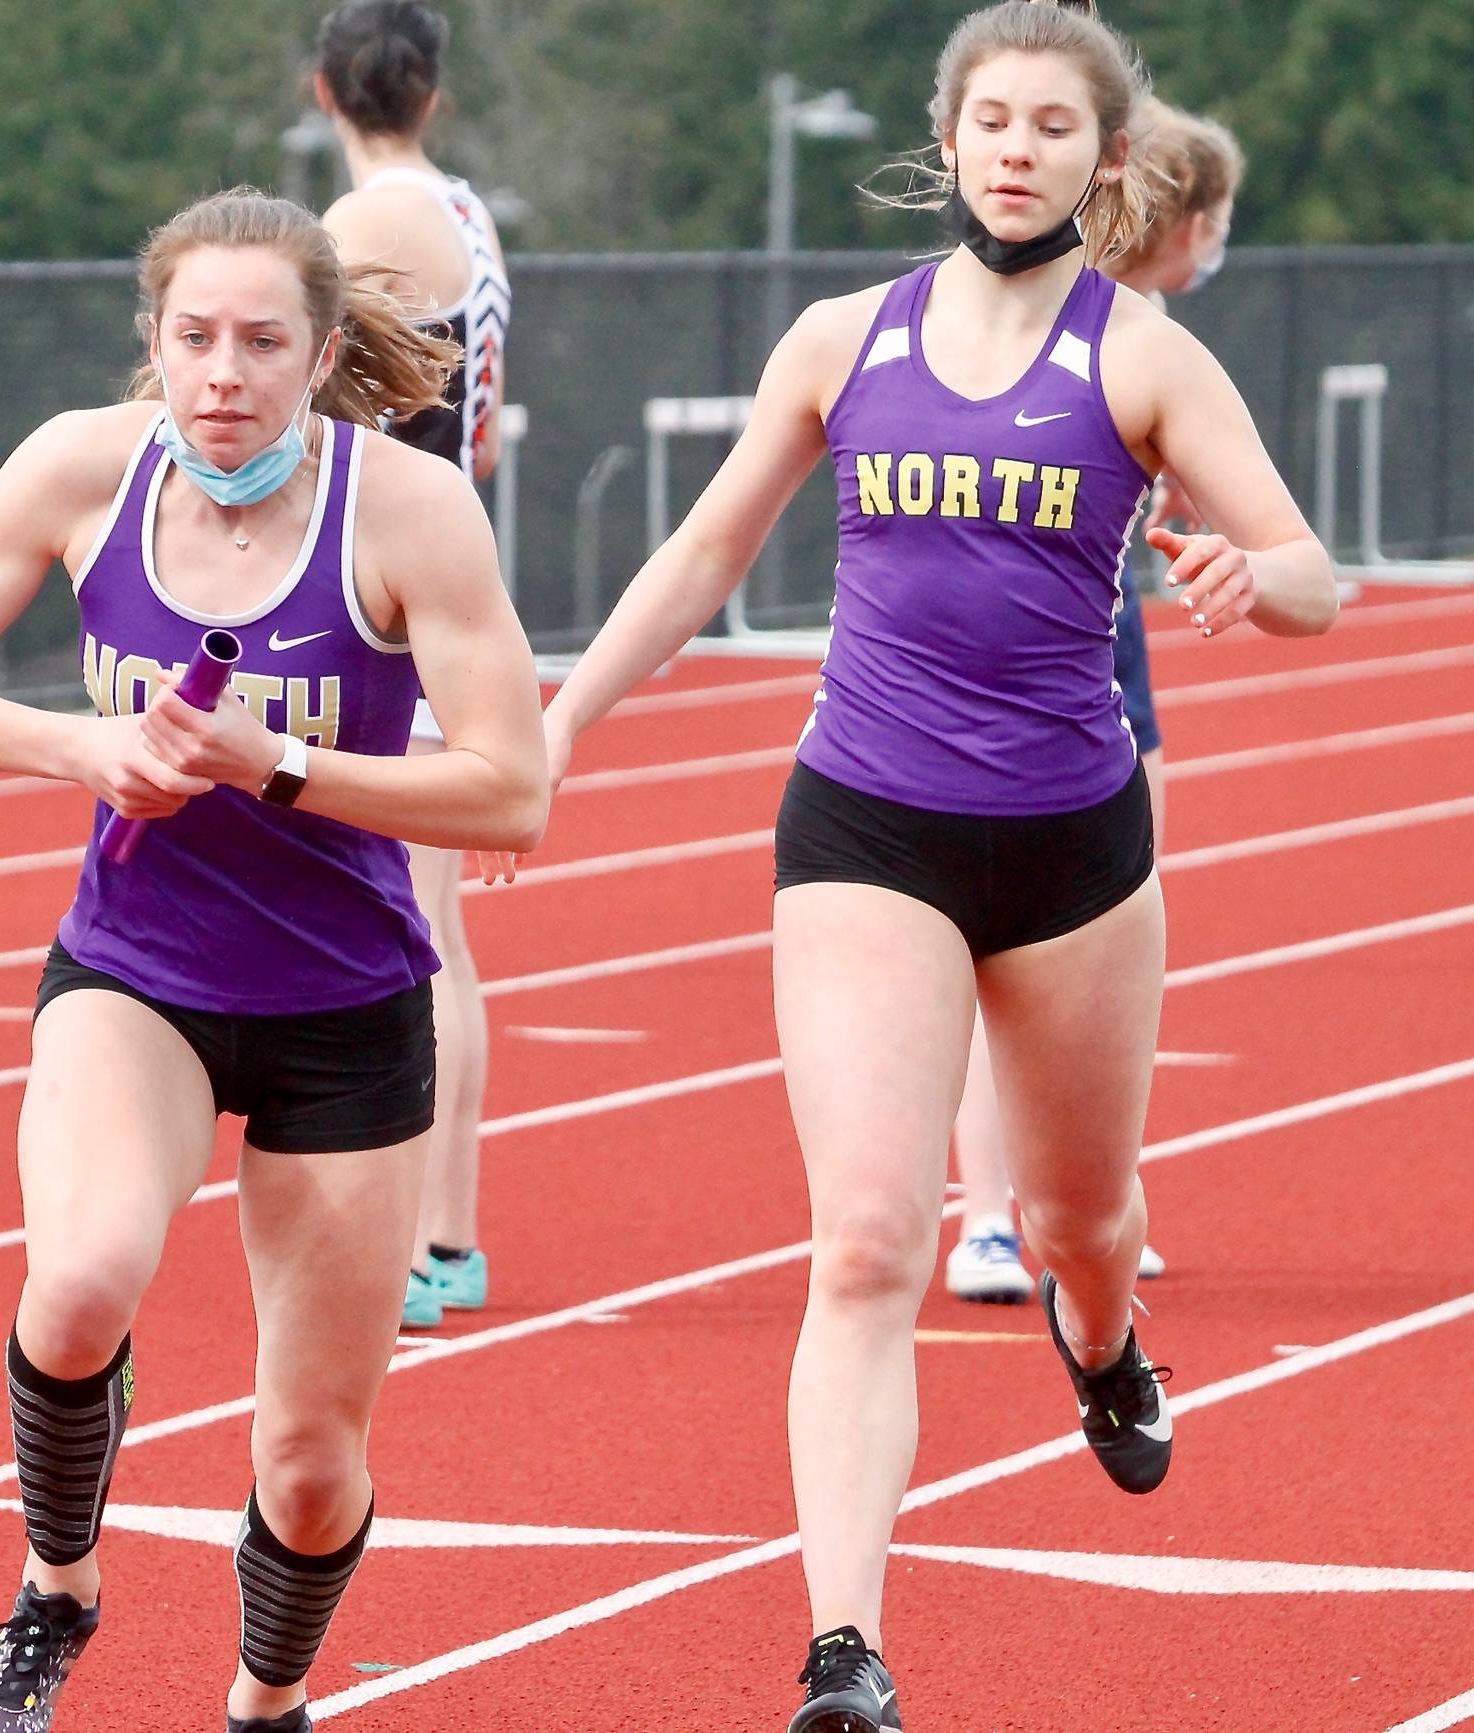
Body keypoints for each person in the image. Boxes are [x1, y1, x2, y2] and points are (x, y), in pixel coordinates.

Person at [524, 4, 1335, 1726]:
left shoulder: (1141, 357)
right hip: (862, 825)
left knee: (1075, 1215)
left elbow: (1307, 565)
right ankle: (842, 1650)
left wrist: (1254, 582)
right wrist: (561, 713)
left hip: (1069, 850)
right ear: (947, 139)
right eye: (992, 119)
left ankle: (1100, 1334)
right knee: (869, 1237)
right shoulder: (840, 338)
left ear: (1101, 161)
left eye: (1054, 124)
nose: (1018, 147)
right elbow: (704, 547)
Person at [0, 186, 547, 1733]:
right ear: (151, 345)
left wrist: (271, 767)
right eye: (192, 339)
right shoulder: (83, 470)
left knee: (309, 1461)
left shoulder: (409, 511)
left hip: (351, 1007)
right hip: (138, 971)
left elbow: (515, 788)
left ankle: (268, 1696)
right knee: (83, 1276)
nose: (222, 372)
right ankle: (55, 1590)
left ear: (318, 354)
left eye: (259, 341)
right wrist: (82, 745)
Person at [944, 95, 1245, 1303]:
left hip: (1090, 632)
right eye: (1217, 224)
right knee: (1028, 931)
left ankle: (1067, 1203)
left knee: (1079, 938)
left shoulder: (1140, 335)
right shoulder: (1079, 314)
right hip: (1056, 650)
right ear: (1180, 212)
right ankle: (991, 1213)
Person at [313, 0, 515, 1331]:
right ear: (431, 96)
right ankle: (444, 1237)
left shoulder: (356, 231)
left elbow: (311, 401)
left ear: (324, 92)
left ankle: (407, 1243)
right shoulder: (471, 217)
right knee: (434, 930)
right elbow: (475, 425)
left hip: (386, 592)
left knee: (400, 934)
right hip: (449, 563)